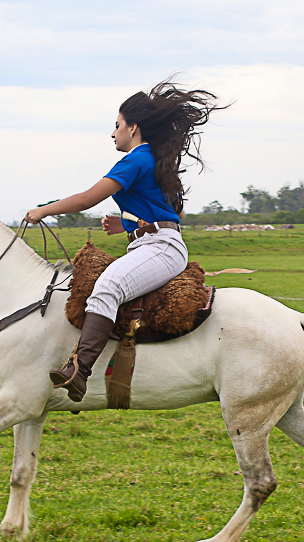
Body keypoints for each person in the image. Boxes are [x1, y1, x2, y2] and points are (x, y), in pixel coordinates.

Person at [25, 80, 225, 402]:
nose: (113, 133)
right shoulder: (148, 160)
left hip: (161, 248)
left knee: (107, 286)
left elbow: (87, 199)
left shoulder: (135, 159)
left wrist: (42, 210)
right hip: (154, 243)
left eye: (116, 126)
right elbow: (163, 211)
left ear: (132, 128)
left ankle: (79, 371)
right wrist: (128, 223)